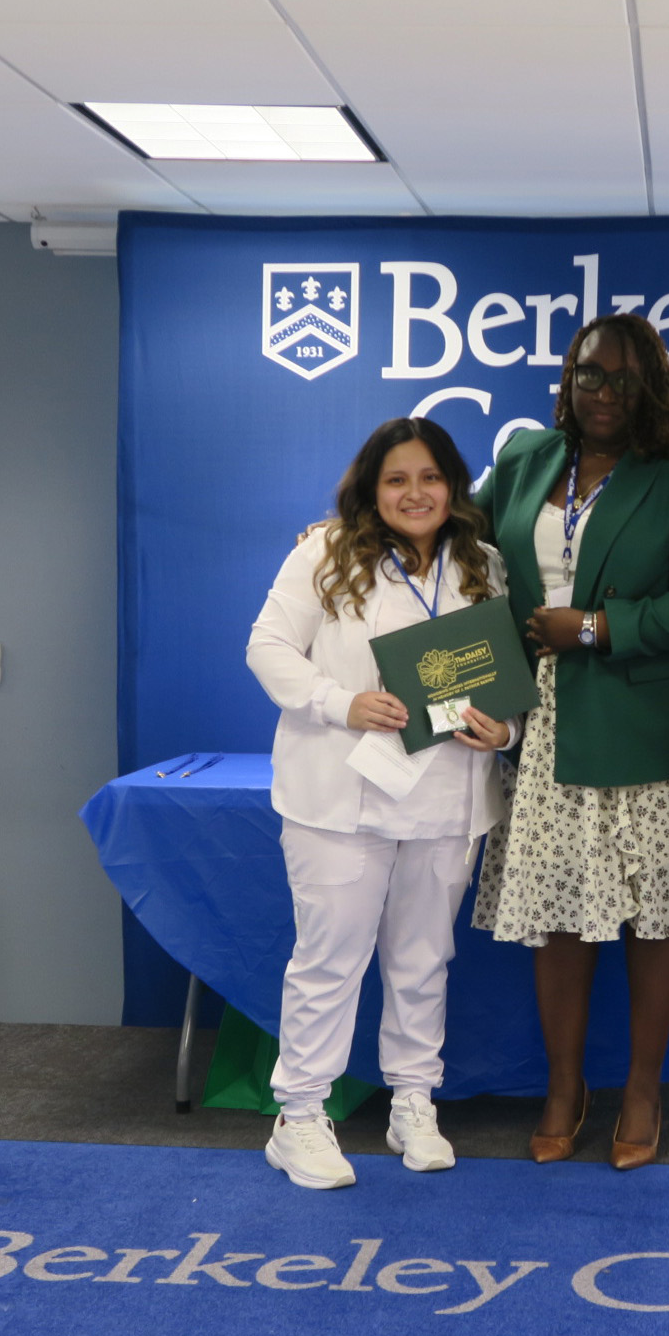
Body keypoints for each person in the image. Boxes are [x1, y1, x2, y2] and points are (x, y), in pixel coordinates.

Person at [470, 313, 669, 1170]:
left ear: (651, 386)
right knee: (558, 919)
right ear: (566, 381)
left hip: (643, 724)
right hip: (537, 725)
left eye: (622, 378)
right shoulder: (522, 460)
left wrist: (595, 628)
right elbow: (449, 540)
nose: (603, 392)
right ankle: (564, 1087)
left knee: (655, 918)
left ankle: (645, 1090)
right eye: (589, 375)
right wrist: (343, 532)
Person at [246, 416, 518, 1190]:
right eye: (396, 479)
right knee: (330, 962)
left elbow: (505, 676)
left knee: (423, 960)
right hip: (341, 795)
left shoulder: (482, 565)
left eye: (430, 478)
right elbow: (266, 647)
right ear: (371, 488)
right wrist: (341, 703)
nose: (415, 493)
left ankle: (413, 1102)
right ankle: (299, 1118)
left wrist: (502, 730)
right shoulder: (325, 553)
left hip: (446, 797)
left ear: (453, 486)